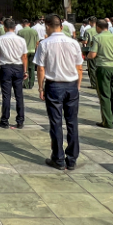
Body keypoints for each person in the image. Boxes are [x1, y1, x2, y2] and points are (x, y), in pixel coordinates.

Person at [35, 14, 83, 170]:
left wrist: (41, 87)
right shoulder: (74, 43)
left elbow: (41, 68)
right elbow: (79, 66)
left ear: (47, 26)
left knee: (56, 123)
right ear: (61, 26)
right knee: (72, 122)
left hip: (54, 85)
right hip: (71, 84)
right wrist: (78, 85)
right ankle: (72, 158)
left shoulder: (45, 44)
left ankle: (58, 158)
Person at [87, 19, 113, 129]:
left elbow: (92, 55)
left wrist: (87, 55)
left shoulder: (97, 38)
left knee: (104, 95)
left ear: (98, 27)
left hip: (103, 68)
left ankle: (107, 121)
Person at [0, 18, 28, 129]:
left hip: (5, 67)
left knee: (6, 96)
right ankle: (20, 120)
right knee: (19, 95)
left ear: (4, 27)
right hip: (18, 67)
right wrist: (25, 70)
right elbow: (24, 56)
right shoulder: (21, 40)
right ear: (14, 27)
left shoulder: (0, 39)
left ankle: (5, 120)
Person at [18, 20, 39, 90]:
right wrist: (36, 51)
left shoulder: (20, 32)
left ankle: (26, 84)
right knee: (32, 68)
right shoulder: (34, 31)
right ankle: (31, 83)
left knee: (25, 68)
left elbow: (18, 43)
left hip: (24, 52)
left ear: (23, 24)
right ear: (29, 24)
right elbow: (37, 42)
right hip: (33, 50)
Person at [81, 18, 98, 90]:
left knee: (92, 68)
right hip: (99, 50)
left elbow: (85, 41)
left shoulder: (88, 31)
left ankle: (94, 84)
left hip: (90, 50)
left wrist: (81, 41)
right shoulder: (99, 30)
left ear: (90, 22)